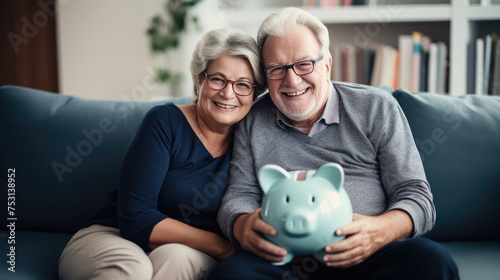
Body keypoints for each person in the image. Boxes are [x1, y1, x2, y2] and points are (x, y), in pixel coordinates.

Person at [209, 7, 459, 280]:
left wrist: (381, 231)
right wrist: (242, 224)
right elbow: (238, 197)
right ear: (265, 75)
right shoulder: (252, 120)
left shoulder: (375, 107)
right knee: (232, 273)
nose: (292, 80)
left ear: (327, 64)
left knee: (431, 261)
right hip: (286, 262)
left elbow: (416, 196)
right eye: (277, 69)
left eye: (304, 64)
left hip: (369, 255)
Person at [58, 28, 265, 280]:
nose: (228, 93)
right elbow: (136, 218)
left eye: (243, 84)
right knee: (133, 270)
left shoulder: (253, 141)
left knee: (176, 261)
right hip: (113, 235)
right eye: (218, 79)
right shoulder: (164, 121)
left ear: (254, 94)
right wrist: (221, 247)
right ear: (199, 82)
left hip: (187, 250)